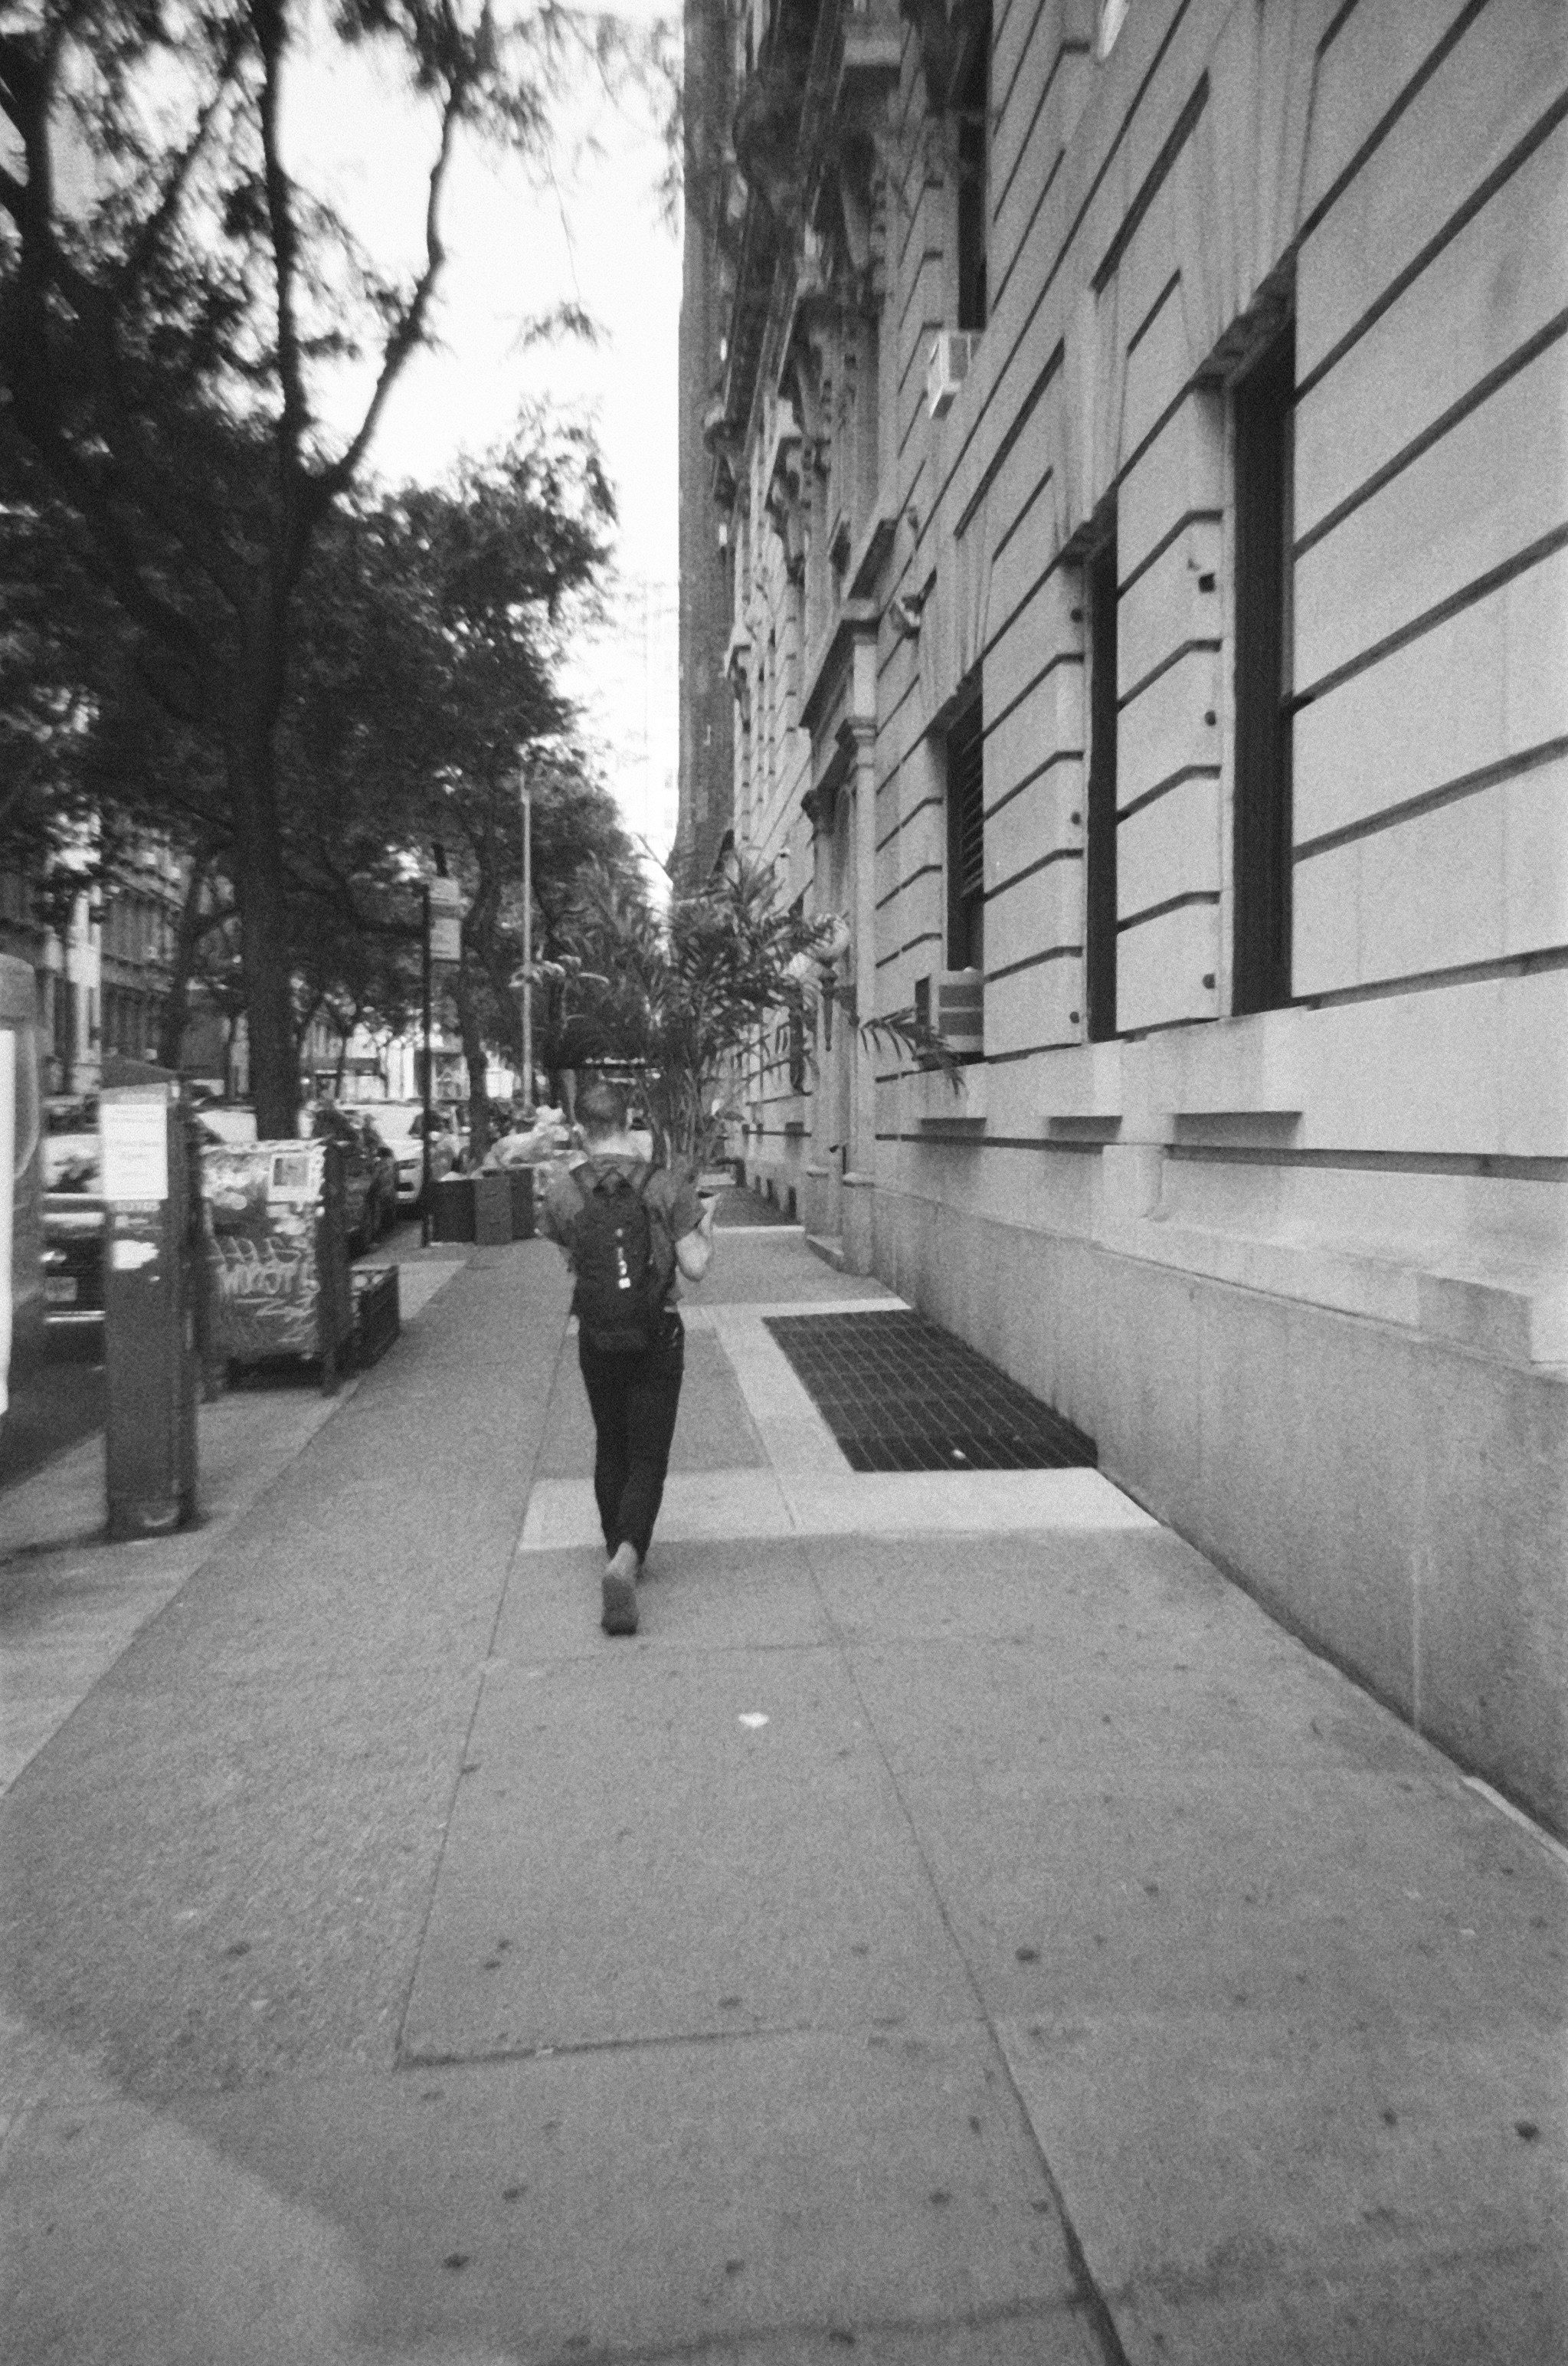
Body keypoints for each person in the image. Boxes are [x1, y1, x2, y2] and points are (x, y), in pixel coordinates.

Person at [538, 1076, 715, 1635]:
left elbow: (573, 1257)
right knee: (648, 1454)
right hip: (657, 1331)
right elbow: (696, 1267)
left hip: (596, 1335)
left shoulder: (562, 1193)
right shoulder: (664, 1186)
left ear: (580, 1127)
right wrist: (707, 1227)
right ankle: (627, 1557)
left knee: (610, 1442)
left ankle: (615, 1545)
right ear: (629, 1119)